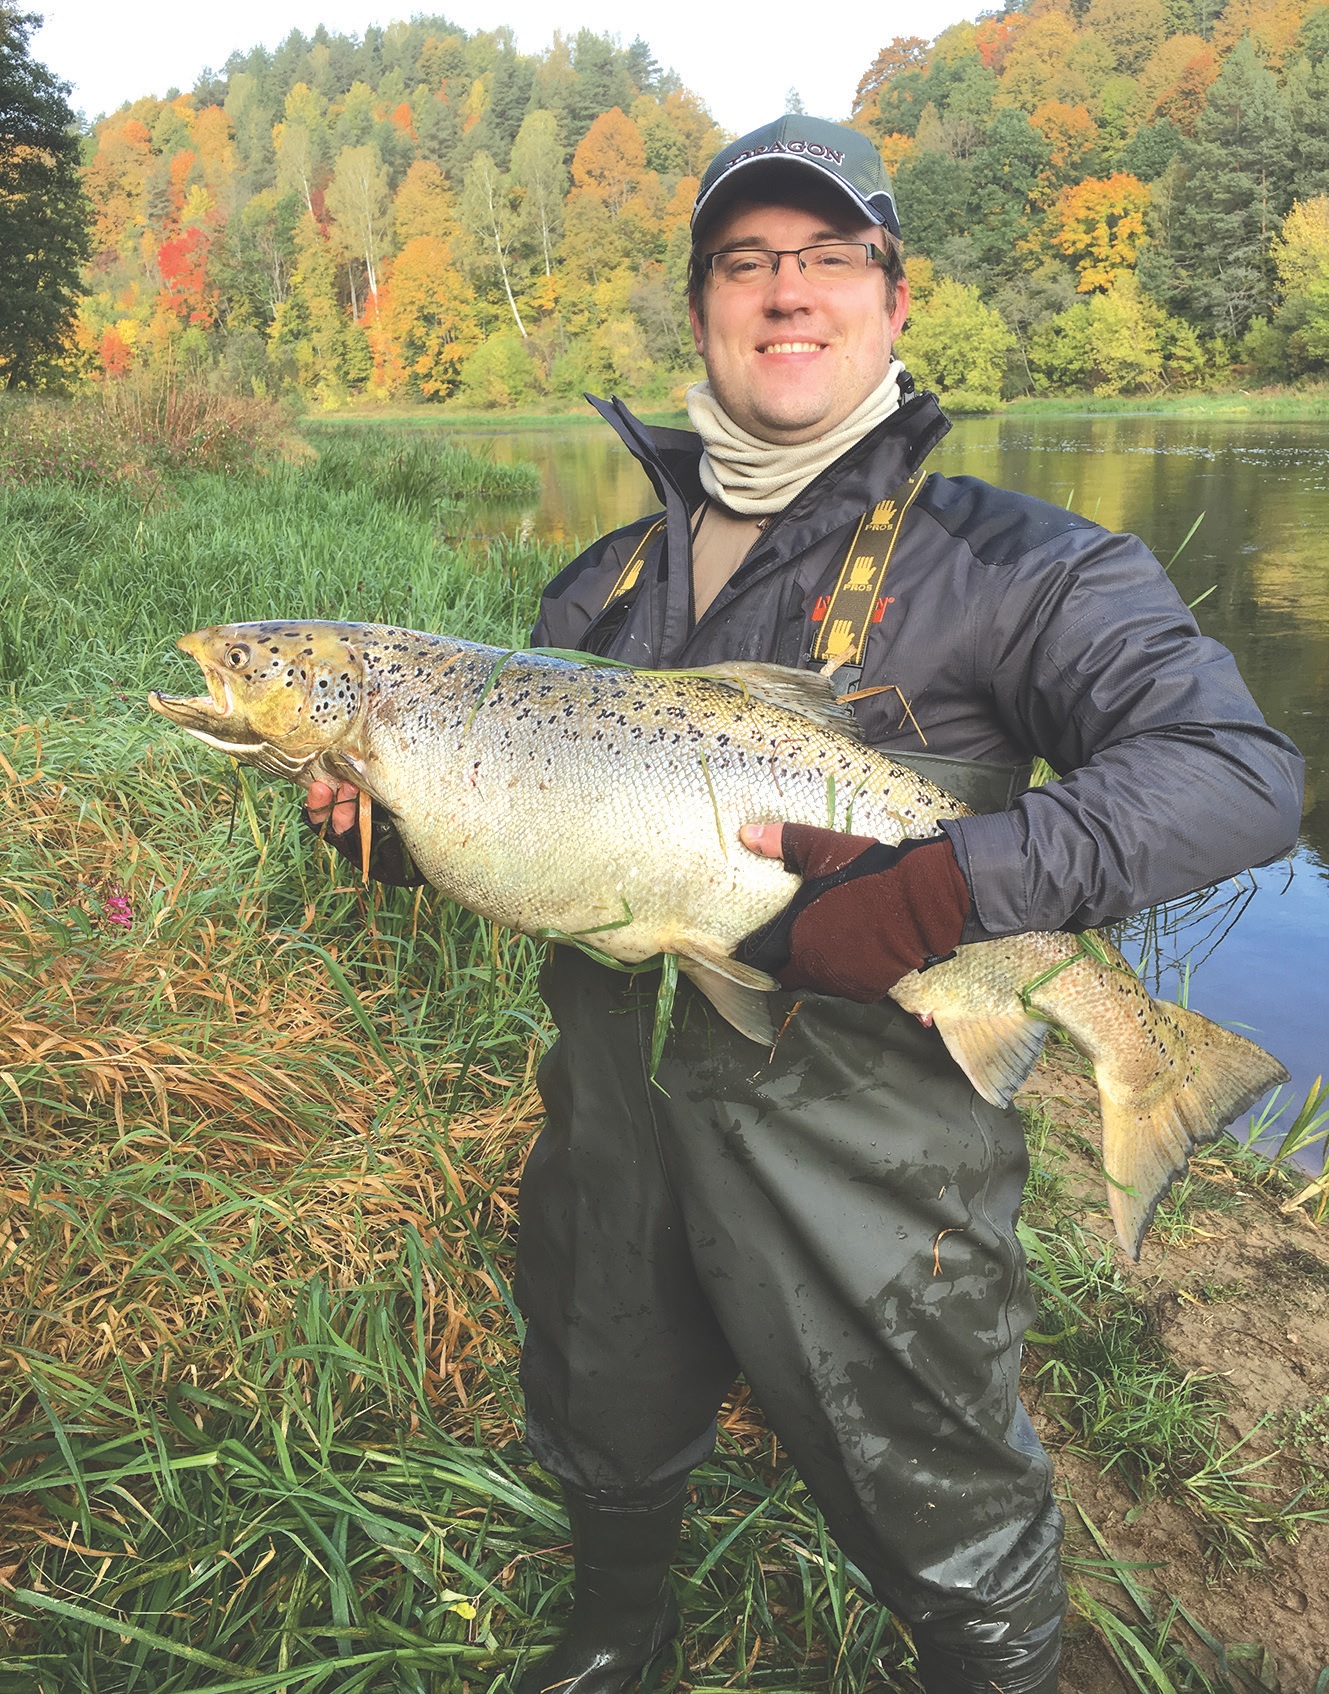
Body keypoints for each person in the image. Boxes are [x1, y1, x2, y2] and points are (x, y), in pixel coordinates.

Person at [308, 116, 1304, 1694]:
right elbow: (536, 836)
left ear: (893, 301)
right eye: (745, 262)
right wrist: (397, 837)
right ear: (700, 304)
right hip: (619, 1118)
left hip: (869, 1160)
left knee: (938, 1488)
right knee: (606, 1391)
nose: (788, 293)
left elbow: (1237, 773)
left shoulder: (1022, 565)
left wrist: (942, 888)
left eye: (828, 259)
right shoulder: (601, 589)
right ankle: (614, 1638)